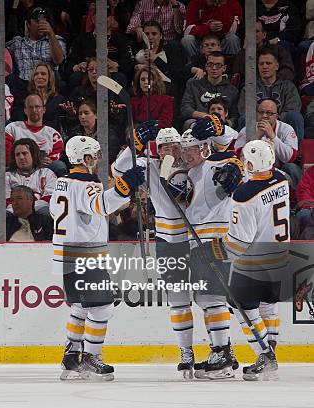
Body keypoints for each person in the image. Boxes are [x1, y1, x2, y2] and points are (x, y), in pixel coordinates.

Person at [194, 139, 288, 381]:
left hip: (256, 259)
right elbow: (261, 184)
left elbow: (237, 244)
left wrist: (212, 251)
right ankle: (271, 347)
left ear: (249, 163)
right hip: (280, 255)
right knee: (268, 303)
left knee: (240, 305)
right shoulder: (281, 178)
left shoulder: (243, 195)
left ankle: (265, 355)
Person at [52, 135, 145, 381]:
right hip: (85, 254)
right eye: (93, 155)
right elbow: (100, 206)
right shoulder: (86, 183)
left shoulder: (61, 182)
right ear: (84, 158)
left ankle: (72, 357)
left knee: (82, 306)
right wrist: (124, 187)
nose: (97, 159)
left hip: (65, 254)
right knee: (103, 308)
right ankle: (92, 358)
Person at [115, 125, 195, 378]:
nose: (170, 149)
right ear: (157, 149)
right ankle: (186, 351)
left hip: (195, 240)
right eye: (164, 145)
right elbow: (119, 169)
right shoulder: (149, 167)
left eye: (174, 144)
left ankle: (221, 347)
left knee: (209, 300)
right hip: (168, 242)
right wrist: (135, 142)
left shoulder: (193, 165)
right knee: (178, 301)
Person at [179, 116, 242, 379]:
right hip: (200, 242)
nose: (185, 155)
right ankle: (221, 350)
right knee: (206, 298)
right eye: (183, 150)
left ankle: (224, 354)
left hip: (215, 240)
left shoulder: (217, 163)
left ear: (204, 147)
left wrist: (236, 169)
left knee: (212, 297)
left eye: (190, 149)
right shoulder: (190, 173)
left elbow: (234, 150)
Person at [238, 48, 303, 141]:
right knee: (244, 119)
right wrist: (263, 119)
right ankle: (246, 150)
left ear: (276, 66)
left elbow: (293, 108)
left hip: (282, 125)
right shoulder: (249, 88)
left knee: (295, 117)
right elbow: (244, 110)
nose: (264, 66)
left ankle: (296, 152)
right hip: (257, 124)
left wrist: (272, 120)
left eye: (268, 63)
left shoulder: (288, 86)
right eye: (261, 64)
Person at [235, 98, 301, 187]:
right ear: (257, 114)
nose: (265, 115)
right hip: (254, 171)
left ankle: (293, 197)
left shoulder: (286, 129)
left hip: (280, 167)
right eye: (261, 112)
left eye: (269, 113)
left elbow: (290, 157)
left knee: (291, 167)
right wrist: (256, 137)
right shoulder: (247, 130)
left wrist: (273, 136)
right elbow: (239, 156)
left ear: (276, 116)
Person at [6, 6, 67, 103]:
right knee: (11, 79)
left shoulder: (56, 40)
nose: (41, 23)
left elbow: (59, 60)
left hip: (49, 86)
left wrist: (51, 34)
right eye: (37, 20)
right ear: (28, 24)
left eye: (44, 20)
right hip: (24, 87)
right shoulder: (17, 43)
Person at [5, 94, 66, 176]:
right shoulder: (12, 128)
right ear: (25, 110)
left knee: (59, 166)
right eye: (30, 107)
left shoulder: (53, 134)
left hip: (44, 170)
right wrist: (34, 161)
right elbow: (6, 153)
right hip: (18, 168)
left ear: (44, 109)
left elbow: (53, 159)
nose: (34, 110)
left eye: (37, 107)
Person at [181, 51, 239, 130]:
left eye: (218, 65)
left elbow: (235, 116)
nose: (214, 68)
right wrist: (206, 117)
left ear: (224, 68)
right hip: (199, 123)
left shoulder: (232, 90)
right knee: (188, 123)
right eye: (210, 64)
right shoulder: (193, 84)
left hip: (223, 126)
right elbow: (186, 109)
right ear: (206, 67)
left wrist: (223, 123)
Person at [233, 20, 294, 87]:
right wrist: (244, 51)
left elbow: (288, 71)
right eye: (250, 32)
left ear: (264, 35)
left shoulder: (278, 50)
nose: (253, 34)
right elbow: (238, 76)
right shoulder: (242, 53)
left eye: (257, 31)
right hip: (252, 89)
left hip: (276, 86)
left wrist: (271, 80)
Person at [134, 20, 188, 97]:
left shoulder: (170, 51)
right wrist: (136, 67)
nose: (150, 37)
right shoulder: (139, 55)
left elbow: (177, 74)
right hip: (145, 87)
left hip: (166, 86)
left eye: (154, 34)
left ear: (161, 36)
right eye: (147, 34)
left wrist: (156, 59)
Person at [6, 138, 57, 215]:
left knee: (46, 211)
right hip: (13, 214)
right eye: (17, 155)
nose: (21, 157)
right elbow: (5, 201)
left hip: (38, 214)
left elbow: (50, 199)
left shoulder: (47, 174)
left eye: (24, 153)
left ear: (33, 155)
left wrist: (28, 209)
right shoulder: (7, 177)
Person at [11, 62, 64, 131]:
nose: (39, 76)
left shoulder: (58, 100)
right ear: (33, 78)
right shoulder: (25, 99)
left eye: (43, 74)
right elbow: (19, 120)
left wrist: (70, 114)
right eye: (36, 74)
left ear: (49, 78)